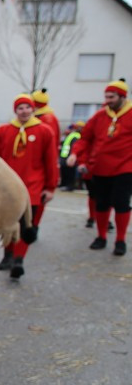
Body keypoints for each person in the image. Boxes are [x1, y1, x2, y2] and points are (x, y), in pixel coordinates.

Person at [0, 94, 58, 279]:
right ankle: (7, 255)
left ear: (33, 109)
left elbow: (50, 160)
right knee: (7, 223)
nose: (24, 111)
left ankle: (19, 259)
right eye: (20, 108)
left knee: (27, 224)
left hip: (33, 187)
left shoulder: (45, 131)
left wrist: (50, 187)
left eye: (27, 107)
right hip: (8, 186)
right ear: (15, 111)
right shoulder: (3, 131)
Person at [69, 78, 131, 256]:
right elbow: (85, 138)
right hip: (101, 168)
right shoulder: (99, 116)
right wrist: (75, 154)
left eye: (111, 97)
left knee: (121, 203)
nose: (108, 100)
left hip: (125, 168)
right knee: (102, 203)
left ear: (122, 96)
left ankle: (120, 240)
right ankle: (101, 236)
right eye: (106, 97)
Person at [59, 121, 84, 191]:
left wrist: (72, 156)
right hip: (65, 156)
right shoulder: (73, 135)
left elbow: (74, 147)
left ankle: (69, 186)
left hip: (69, 157)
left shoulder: (76, 136)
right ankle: (64, 184)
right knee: (65, 172)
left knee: (70, 173)